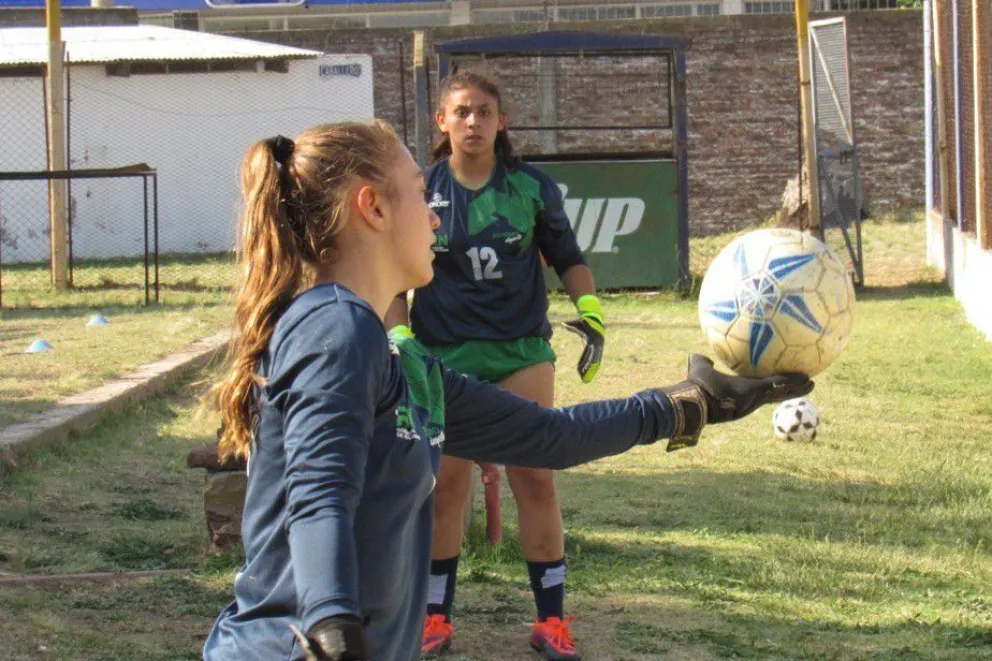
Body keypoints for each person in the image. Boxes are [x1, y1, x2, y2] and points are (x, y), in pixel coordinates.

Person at [202, 119, 812, 661]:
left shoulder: (397, 361)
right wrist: (331, 622)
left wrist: (692, 403)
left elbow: (550, 438)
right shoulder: (333, 325)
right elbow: (318, 492)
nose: (436, 214)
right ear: (374, 208)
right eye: (420, 193)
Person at [383, 69, 605, 659]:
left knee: (534, 475)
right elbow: (394, 276)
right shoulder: (419, 188)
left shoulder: (530, 187)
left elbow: (568, 256)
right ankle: (435, 620)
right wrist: (400, 334)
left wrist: (591, 308)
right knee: (444, 485)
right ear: (442, 122)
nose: (473, 122)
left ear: (501, 120)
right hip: (442, 359)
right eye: (462, 112)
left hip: (520, 352)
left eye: (484, 111)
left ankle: (551, 621)